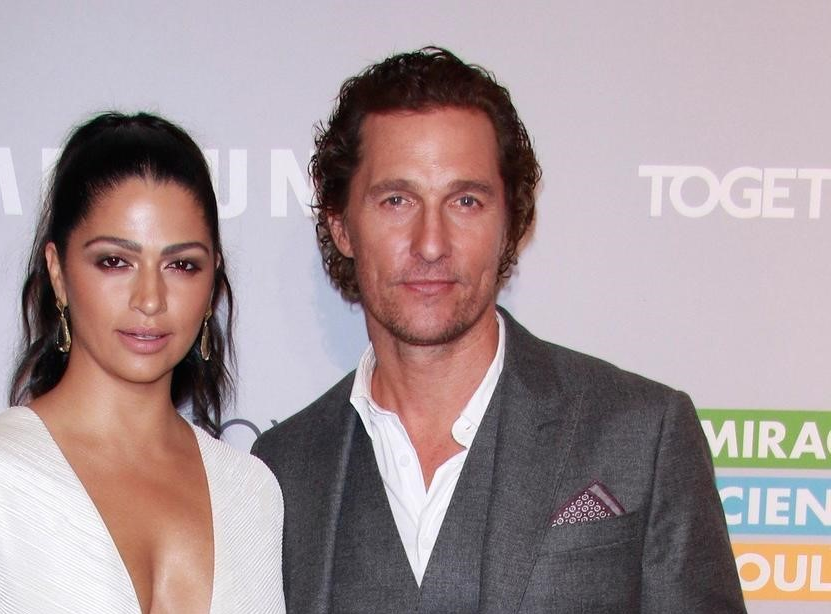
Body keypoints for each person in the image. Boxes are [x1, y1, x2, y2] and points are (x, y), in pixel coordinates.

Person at [252, 47, 745, 613]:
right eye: (396, 200)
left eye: (465, 201)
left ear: (510, 223)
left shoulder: (642, 431)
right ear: (341, 226)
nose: (431, 243)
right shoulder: (283, 469)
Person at [0, 112, 285, 613]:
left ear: (212, 278)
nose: (150, 298)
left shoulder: (252, 494)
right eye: (115, 261)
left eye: (181, 265)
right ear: (58, 272)